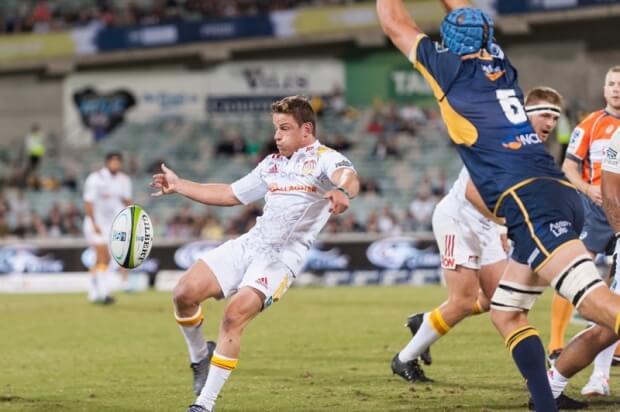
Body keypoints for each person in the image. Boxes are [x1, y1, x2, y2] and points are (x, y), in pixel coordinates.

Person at [376, 1, 620, 410]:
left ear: (450, 45)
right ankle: (545, 404)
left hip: (529, 201)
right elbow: (471, 15)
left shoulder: (449, 71)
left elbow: (393, 21)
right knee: (504, 311)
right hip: (552, 193)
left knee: (592, 298)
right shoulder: (501, 64)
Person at [150, 95, 360, 412]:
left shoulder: (325, 159)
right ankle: (200, 358)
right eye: (276, 128)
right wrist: (180, 185)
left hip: (280, 259)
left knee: (234, 315)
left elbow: (349, 178)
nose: (276, 135)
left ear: (306, 129)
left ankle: (204, 404)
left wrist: (342, 192)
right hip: (251, 244)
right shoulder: (271, 164)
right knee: (183, 293)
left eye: (284, 128)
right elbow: (230, 193)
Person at [394, 86, 566, 382]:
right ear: (526, 113)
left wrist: (500, 225)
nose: (550, 124)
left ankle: (425, 321)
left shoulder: (532, 152)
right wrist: (508, 222)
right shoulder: (503, 139)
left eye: (555, 118)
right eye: (546, 115)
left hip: (485, 226)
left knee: (497, 301)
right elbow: (474, 193)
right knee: (462, 301)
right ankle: (404, 359)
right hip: (458, 220)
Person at [546, 66, 620, 396]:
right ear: (604, 89)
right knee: (578, 278)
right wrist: (587, 190)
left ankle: (599, 372)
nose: (616, 89)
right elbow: (568, 166)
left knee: (611, 290)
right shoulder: (590, 124)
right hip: (595, 209)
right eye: (611, 84)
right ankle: (557, 340)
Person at [83, 152, 132, 304]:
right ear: (107, 163)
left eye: (118, 162)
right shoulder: (95, 179)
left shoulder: (124, 180)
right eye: (113, 162)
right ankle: (105, 293)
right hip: (96, 223)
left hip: (113, 224)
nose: (116, 165)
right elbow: (88, 202)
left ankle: (94, 292)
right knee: (103, 255)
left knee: (103, 259)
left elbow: (127, 201)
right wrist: (94, 223)